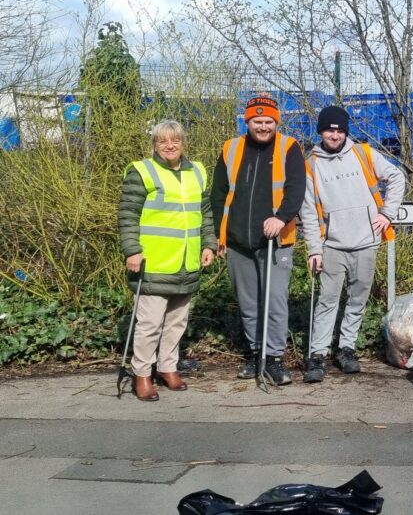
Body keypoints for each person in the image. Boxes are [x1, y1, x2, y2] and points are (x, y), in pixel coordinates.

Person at [299, 106, 406, 382]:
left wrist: (386, 214)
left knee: (357, 299)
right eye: (329, 129)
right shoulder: (310, 164)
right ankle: (318, 354)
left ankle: (347, 349)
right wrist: (314, 249)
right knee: (327, 301)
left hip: (366, 242)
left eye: (339, 130)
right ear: (321, 131)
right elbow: (308, 212)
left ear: (345, 132)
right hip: (332, 245)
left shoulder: (363, 153)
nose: (334, 135)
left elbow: (396, 177)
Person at [118, 120, 217, 401]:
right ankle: (142, 374)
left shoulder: (197, 171)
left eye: (175, 140)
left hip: (186, 262)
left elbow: (205, 212)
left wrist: (209, 243)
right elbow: (127, 215)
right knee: (149, 324)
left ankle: (168, 367)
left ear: (183, 142)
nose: (170, 146)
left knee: (177, 321)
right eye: (162, 142)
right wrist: (131, 250)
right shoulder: (142, 172)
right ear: (154, 145)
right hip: (153, 261)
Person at [211, 95, 305, 385]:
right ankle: (255, 354)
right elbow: (217, 193)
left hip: (275, 241)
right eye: (257, 121)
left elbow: (296, 188)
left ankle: (274, 359)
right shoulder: (231, 148)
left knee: (275, 300)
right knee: (248, 302)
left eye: (268, 122)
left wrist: (282, 217)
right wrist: (218, 233)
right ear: (247, 121)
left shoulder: (289, 147)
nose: (263, 127)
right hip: (238, 239)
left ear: (276, 122)